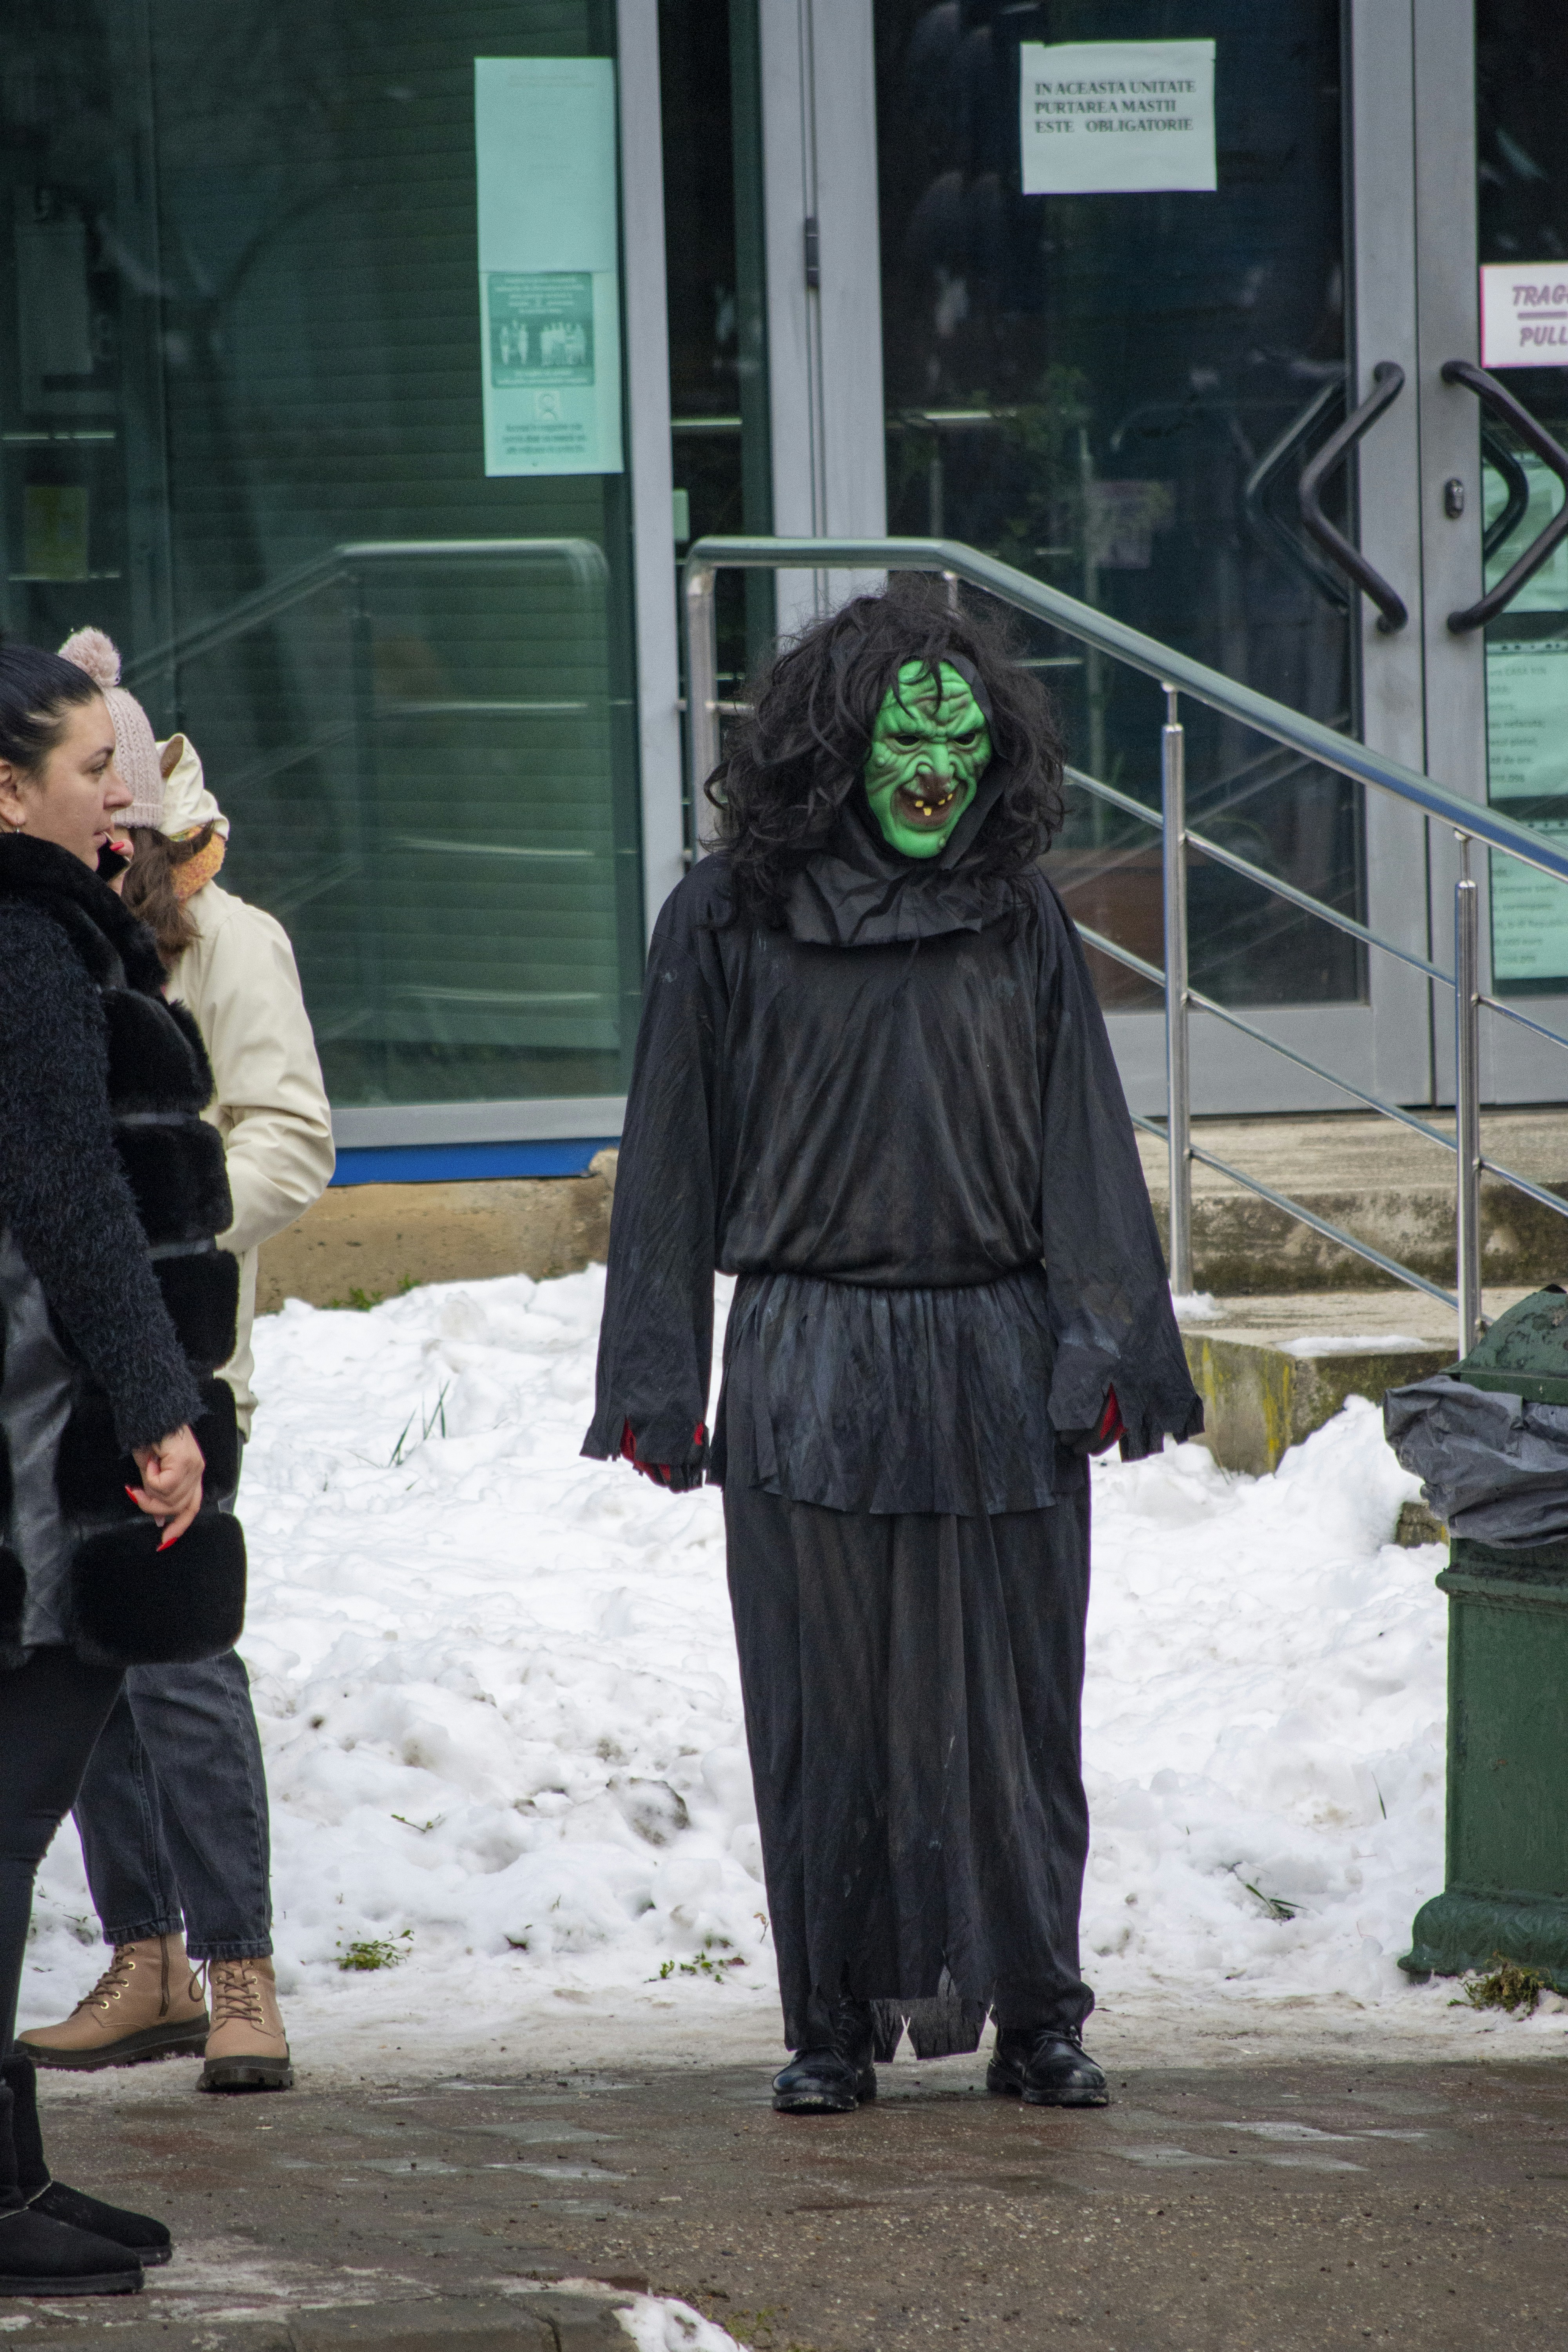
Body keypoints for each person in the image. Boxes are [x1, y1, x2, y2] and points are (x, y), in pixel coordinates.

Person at [584, 581, 1202, 2116]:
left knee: (1013, 1709)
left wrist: (1109, 1337)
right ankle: (829, 2021)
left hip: (995, 1355)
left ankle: (1038, 2010)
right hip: (807, 1358)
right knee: (822, 1707)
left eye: (961, 741)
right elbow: (667, 1153)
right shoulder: (724, 918)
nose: (934, 773)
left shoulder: (1017, 911)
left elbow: (1081, 1144)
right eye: (903, 740)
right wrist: (657, 1378)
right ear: (836, 746)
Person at [18, 631, 333, 2096]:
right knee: (92, 1671)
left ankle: (241, 1970)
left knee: (187, 1670)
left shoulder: (227, 937)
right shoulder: (52, 933)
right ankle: (145, 1956)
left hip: (176, 1375)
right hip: (63, 1389)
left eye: (113, 792)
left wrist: (173, 1239)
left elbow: (290, 1136)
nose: (105, 820)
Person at [0, 637, 246, 2290]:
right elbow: (76, 1205)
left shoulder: (46, 926)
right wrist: (162, 1406)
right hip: (42, 1453)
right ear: (9, 789)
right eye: (97, 768)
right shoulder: (23, 941)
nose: (126, 795)